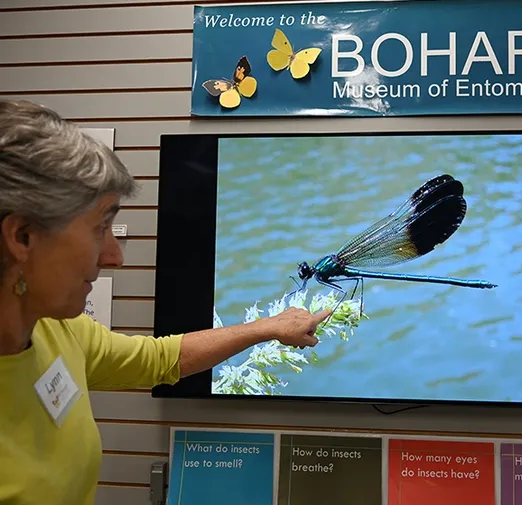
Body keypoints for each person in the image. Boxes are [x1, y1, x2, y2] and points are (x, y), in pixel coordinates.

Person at [0, 98, 332, 505]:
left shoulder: (55, 329)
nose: (115, 256)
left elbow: (160, 359)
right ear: (22, 238)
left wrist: (269, 327)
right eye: (101, 227)